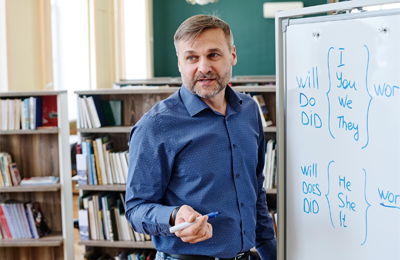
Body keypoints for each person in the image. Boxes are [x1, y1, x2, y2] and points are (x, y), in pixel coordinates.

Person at [125, 14, 277, 260]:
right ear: (180, 63)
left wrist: (271, 253)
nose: (203, 67)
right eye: (192, 57)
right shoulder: (156, 126)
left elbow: (254, 189)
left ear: (233, 55)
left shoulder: (250, 110)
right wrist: (174, 215)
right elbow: (136, 210)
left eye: (213, 55)